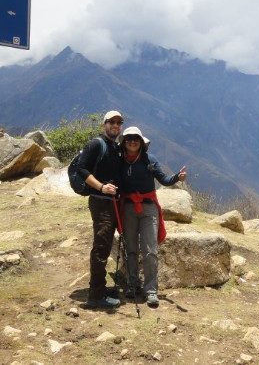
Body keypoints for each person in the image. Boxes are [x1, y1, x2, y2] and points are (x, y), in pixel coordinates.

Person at [117, 126, 187, 308]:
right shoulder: (119, 161)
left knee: (150, 250)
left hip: (148, 209)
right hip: (128, 208)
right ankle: (133, 285)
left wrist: (177, 178)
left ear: (141, 142)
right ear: (124, 142)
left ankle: (151, 291)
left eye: (136, 139)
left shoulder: (150, 160)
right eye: (129, 138)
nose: (132, 141)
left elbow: (163, 179)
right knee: (130, 248)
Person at [76, 110, 124, 309]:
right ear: (104, 124)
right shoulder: (97, 144)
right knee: (101, 246)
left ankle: (101, 289)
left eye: (118, 123)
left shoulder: (115, 146)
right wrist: (102, 187)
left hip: (112, 203)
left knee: (104, 244)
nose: (115, 125)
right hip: (100, 201)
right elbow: (81, 168)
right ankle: (95, 295)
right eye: (112, 122)